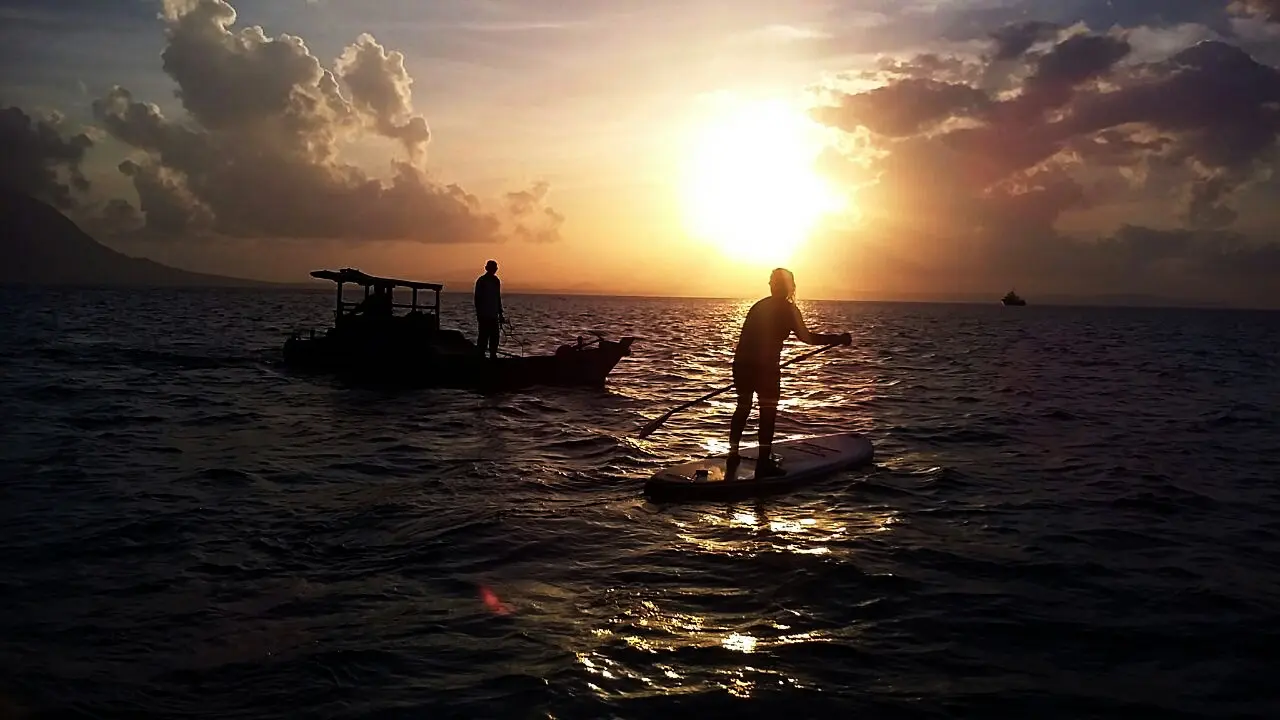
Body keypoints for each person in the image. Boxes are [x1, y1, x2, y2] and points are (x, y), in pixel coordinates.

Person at [729, 267, 851, 478]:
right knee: (767, 412)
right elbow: (807, 338)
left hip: (741, 365)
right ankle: (763, 463)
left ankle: (733, 454)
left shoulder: (758, 306)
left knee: (743, 406)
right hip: (765, 369)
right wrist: (837, 339)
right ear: (790, 287)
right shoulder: (788, 309)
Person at [474, 259, 504, 358]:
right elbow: (477, 298)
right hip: (484, 315)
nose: (494, 270)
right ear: (487, 268)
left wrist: (500, 313)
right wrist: (479, 314)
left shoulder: (496, 281)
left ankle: (492, 355)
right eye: (493, 268)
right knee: (483, 337)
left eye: (495, 268)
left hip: (493, 315)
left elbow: (498, 297)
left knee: (494, 337)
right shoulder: (481, 281)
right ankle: (481, 356)